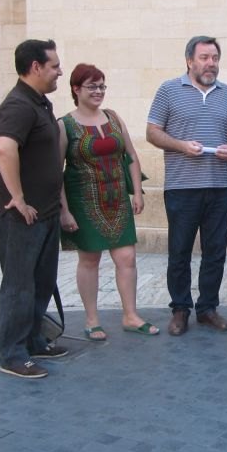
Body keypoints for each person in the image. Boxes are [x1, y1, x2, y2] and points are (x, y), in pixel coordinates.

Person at [147, 36, 227, 336]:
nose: (211, 63)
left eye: (215, 58)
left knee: (215, 251)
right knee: (180, 251)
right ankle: (180, 309)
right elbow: (152, 132)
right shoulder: (169, 90)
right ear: (189, 61)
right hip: (182, 186)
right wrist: (181, 146)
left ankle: (207, 308)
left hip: (218, 186)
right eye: (204, 57)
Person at [59, 63, 158, 341]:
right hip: (84, 203)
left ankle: (130, 315)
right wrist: (64, 211)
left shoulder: (113, 117)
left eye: (102, 86)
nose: (99, 91)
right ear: (76, 89)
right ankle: (92, 320)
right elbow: (55, 171)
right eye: (92, 86)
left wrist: (137, 192)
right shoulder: (65, 125)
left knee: (127, 258)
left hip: (117, 200)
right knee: (89, 259)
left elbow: (131, 156)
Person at [0, 39, 66, 379]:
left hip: (45, 212)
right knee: (19, 285)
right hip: (20, 215)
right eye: (54, 66)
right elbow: (5, 149)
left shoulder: (40, 102)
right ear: (35, 67)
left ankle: (34, 340)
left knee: (42, 281)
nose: (59, 71)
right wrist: (18, 198)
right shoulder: (19, 105)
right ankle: (13, 355)